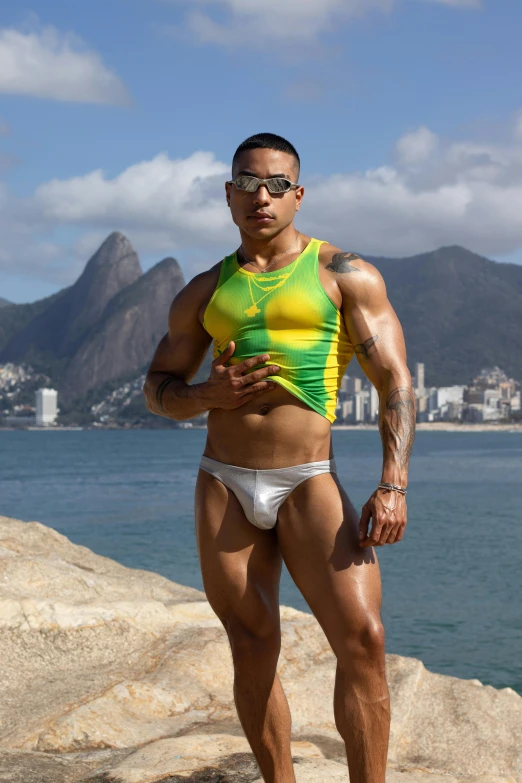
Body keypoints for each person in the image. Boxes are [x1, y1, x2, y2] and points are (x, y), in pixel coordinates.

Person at [143, 132, 415, 783]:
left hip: (307, 481)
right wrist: (209, 392)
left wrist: (394, 483)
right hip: (225, 485)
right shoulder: (206, 291)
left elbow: (397, 382)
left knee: (364, 640)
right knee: (252, 642)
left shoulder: (343, 274)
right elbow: (157, 389)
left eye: (274, 184)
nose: (259, 196)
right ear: (228, 195)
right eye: (246, 183)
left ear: (298, 194)